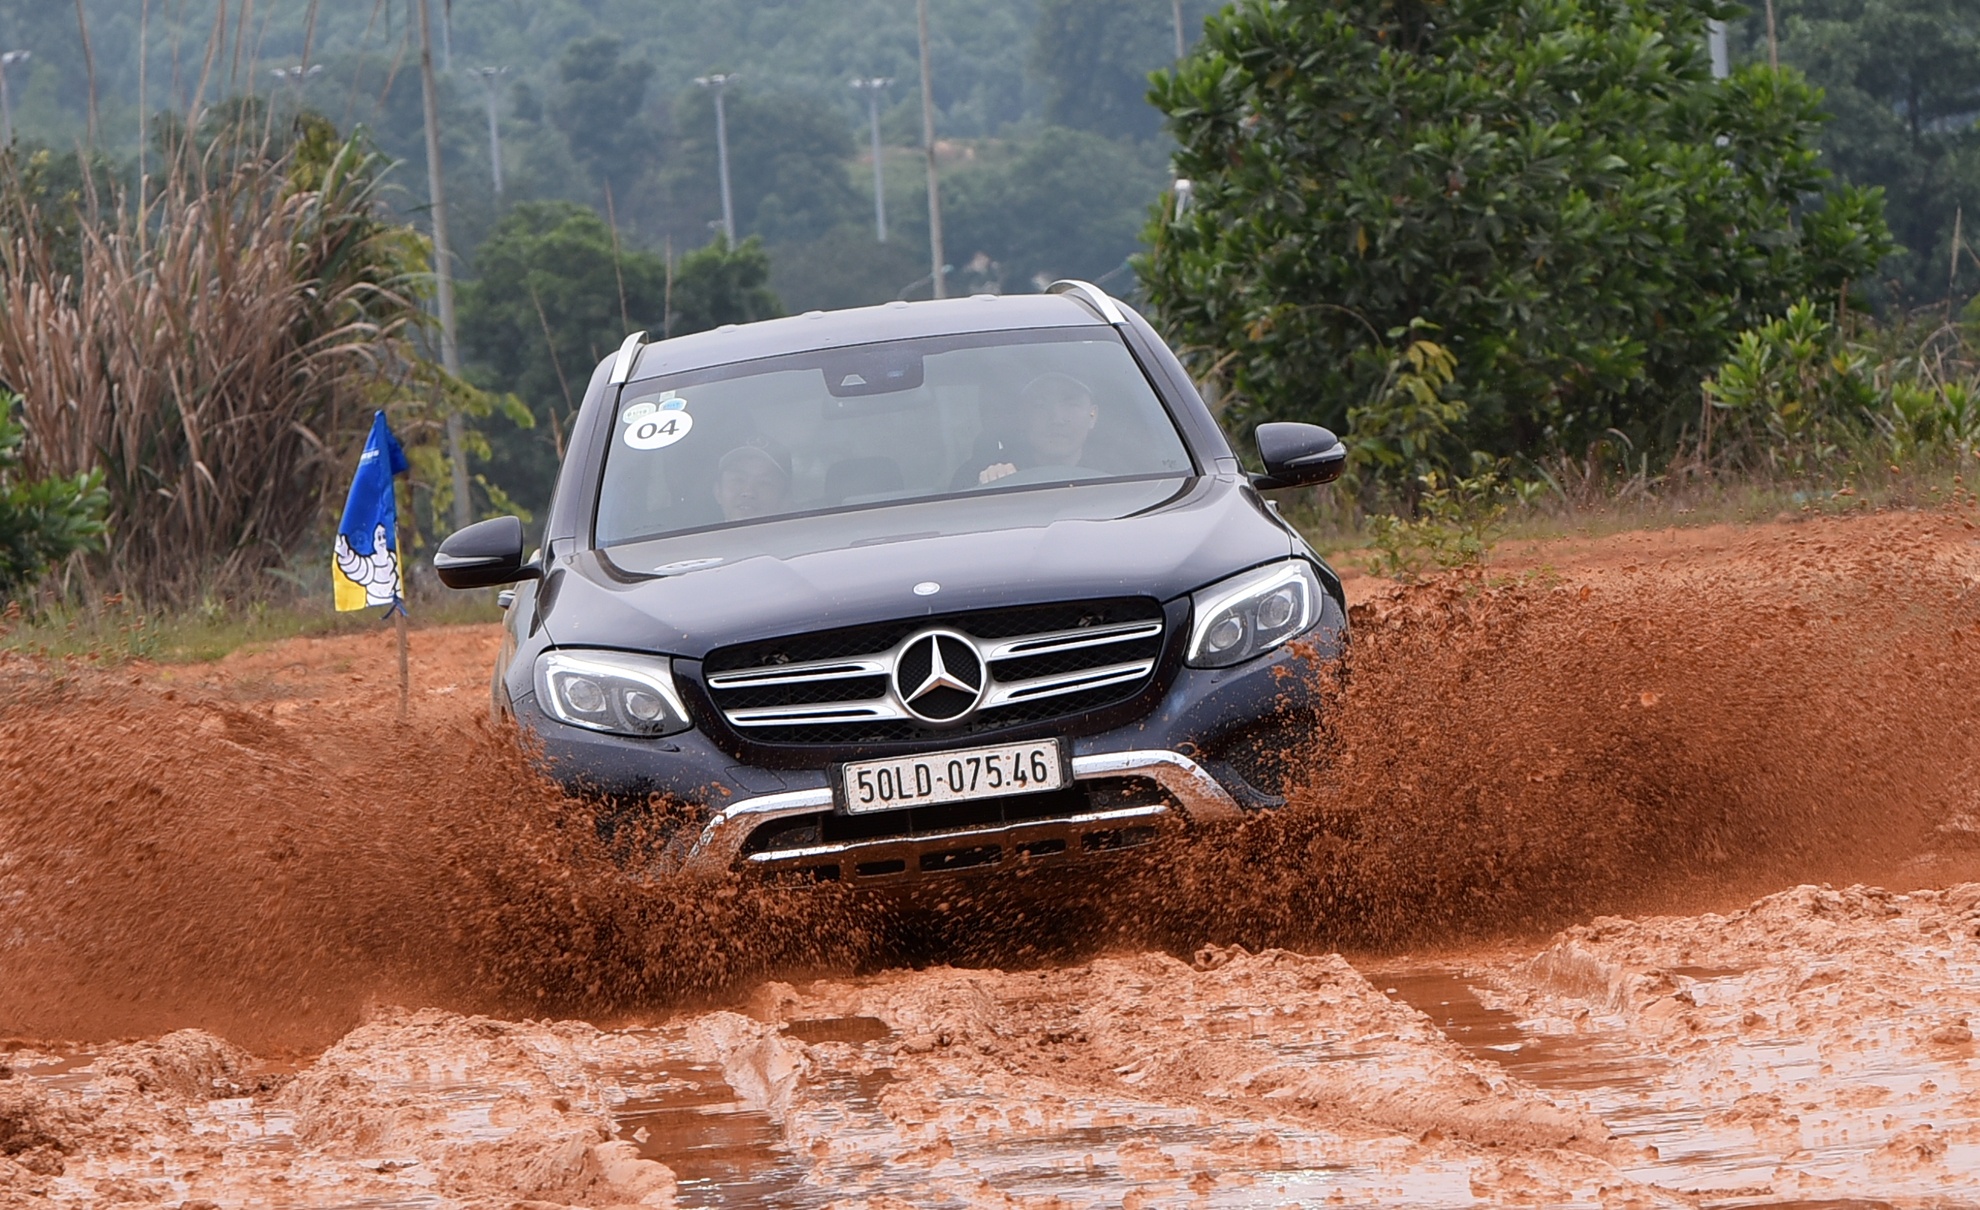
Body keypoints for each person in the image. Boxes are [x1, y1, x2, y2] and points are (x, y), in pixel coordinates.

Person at [954, 371, 1100, 488]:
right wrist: (985, 492)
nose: (1057, 419)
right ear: (1022, 417)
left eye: (1071, 404)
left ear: (1092, 416)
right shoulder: (975, 476)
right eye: (1040, 405)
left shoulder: (1117, 476)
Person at [714, 434, 793, 521]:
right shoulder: (699, 534)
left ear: (785, 500)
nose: (748, 492)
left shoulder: (805, 533)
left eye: (764, 483)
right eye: (738, 480)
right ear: (717, 492)